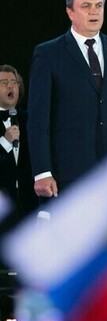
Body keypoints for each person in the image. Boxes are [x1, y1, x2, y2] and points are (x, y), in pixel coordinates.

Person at [27, 0, 107, 199]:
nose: (94, 11)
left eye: (99, 5)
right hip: (68, 172)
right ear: (70, 12)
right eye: (86, 6)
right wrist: (42, 171)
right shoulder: (49, 54)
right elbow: (38, 119)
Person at [0, 65, 37, 255]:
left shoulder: (31, 120)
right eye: (4, 82)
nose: (10, 86)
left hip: (28, 204)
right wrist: (5, 142)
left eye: (14, 83)